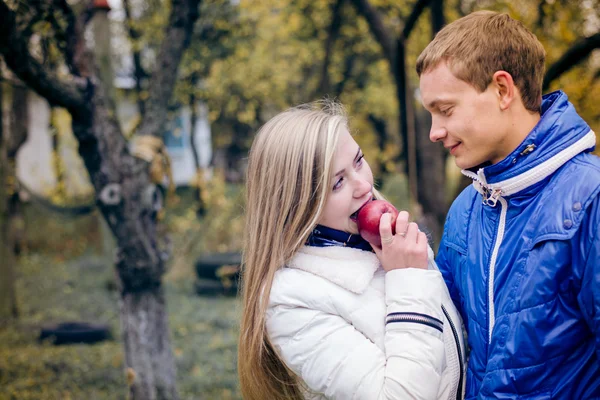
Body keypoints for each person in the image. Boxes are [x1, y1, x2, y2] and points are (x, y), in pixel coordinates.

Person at [417, 10, 600, 399]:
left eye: (445, 110)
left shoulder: (591, 198)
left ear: (503, 90)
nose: (435, 132)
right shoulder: (465, 211)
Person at [237, 101, 466, 400]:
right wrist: (408, 278)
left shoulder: (382, 243)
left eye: (358, 161)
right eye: (337, 183)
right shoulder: (291, 302)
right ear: (297, 206)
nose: (363, 186)